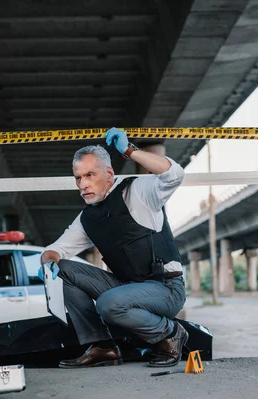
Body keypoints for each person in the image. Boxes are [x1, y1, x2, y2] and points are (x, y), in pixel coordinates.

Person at [38, 127, 187, 369]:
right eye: (78, 178)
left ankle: (169, 333)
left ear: (108, 173)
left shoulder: (138, 191)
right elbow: (56, 249)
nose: (83, 184)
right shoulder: (88, 218)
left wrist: (130, 150)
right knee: (63, 269)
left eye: (89, 175)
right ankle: (103, 346)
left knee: (109, 304)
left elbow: (175, 175)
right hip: (126, 288)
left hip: (165, 289)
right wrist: (49, 262)